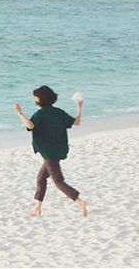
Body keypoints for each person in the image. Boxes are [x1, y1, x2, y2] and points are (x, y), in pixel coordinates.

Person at [13, 85, 88, 217]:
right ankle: (37, 208)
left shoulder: (40, 114)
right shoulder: (58, 112)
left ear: (41, 99)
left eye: (36, 97)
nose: (35, 99)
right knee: (41, 178)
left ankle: (79, 201)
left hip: (49, 153)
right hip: (58, 150)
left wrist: (19, 112)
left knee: (58, 181)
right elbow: (76, 122)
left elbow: (30, 125)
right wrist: (79, 106)